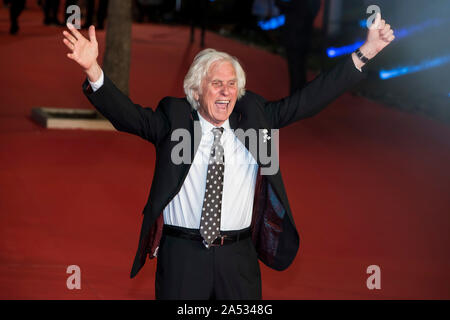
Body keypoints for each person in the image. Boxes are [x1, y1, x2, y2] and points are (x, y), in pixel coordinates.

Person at [62, 13, 394, 299]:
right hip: (182, 257)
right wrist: (93, 70)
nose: (226, 92)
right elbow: (127, 116)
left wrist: (367, 51)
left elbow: (310, 98)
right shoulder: (173, 118)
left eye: (232, 84)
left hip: (238, 258)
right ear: (196, 91)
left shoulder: (256, 117)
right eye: (217, 84)